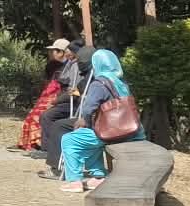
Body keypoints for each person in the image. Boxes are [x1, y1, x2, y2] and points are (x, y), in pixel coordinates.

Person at [59, 49, 145, 192]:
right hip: (131, 132)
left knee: (69, 139)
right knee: (91, 139)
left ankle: (74, 181)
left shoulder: (99, 83)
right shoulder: (122, 82)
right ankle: (98, 177)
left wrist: (85, 122)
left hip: (112, 133)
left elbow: (88, 109)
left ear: (96, 64)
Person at [38, 39, 90, 177]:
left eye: (69, 50)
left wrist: (56, 101)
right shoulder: (75, 66)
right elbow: (78, 89)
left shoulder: (82, 69)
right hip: (77, 104)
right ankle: (50, 152)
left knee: (55, 123)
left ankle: (56, 165)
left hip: (80, 107)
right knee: (48, 117)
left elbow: (78, 92)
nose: (67, 53)